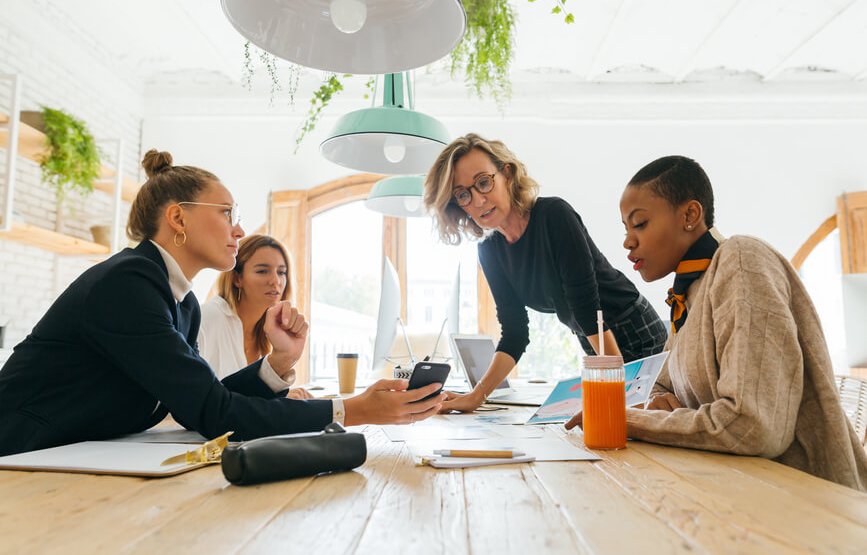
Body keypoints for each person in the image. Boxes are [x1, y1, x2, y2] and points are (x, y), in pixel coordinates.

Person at [0, 149, 444, 457]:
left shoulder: (182, 302)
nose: (238, 229)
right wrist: (354, 410)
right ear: (178, 217)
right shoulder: (127, 283)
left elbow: (203, 398)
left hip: (74, 455)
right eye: (226, 213)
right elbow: (213, 412)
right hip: (22, 456)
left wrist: (277, 362)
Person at [567, 155, 867, 490]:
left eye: (639, 224)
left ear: (690, 216)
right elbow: (662, 388)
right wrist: (662, 410)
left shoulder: (741, 260)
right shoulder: (688, 292)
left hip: (810, 500)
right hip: (738, 488)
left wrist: (632, 421)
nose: (628, 241)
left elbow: (753, 427)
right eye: (625, 229)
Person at [423, 133, 667, 413]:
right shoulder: (489, 251)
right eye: (464, 194)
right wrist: (476, 396)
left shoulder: (554, 215)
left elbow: (586, 307)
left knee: (640, 425)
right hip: (593, 341)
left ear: (507, 174)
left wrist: (616, 389)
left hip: (633, 328)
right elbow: (515, 332)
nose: (478, 200)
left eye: (483, 182)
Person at [198, 234, 312, 399]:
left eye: (281, 272)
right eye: (262, 271)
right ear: (237, 278)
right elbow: (202, 401)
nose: (275, 280)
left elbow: (246, 395)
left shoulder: (268, 331)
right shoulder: (207, 319)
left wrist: (276, 396)